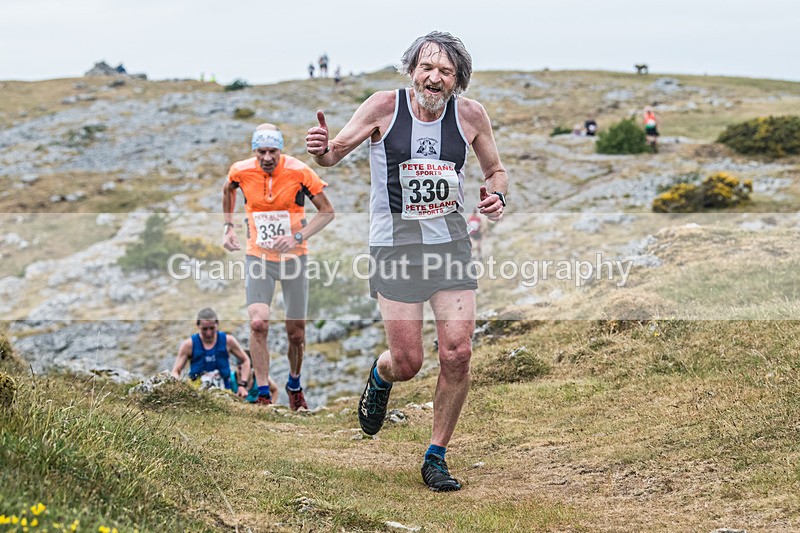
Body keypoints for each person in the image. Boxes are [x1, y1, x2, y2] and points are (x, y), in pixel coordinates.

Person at [306, 31, 507, 491]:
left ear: (458, 81)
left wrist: (496, 195)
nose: (434, 78)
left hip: (451, 245)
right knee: (409, 360)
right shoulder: (383, 107)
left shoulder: (471, 116)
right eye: (427, 68)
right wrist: (322, 149)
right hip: (394, 249)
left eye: (446, 72)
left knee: (457, 352)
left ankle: (435, 455)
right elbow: (334, 154)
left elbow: (496, 171)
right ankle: (380, 376)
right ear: (412, 70)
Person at [223, 124, 335, 410]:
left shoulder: (299, 172)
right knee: (258, 322)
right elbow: (228, 188)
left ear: (281, 150)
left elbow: (327, 212)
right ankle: (262, 391)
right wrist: (228, 227)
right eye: (261, 152)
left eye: (273, 151)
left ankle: (294, 385)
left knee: (295, 332)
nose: (267, 157)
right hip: (258, 257)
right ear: (254, 151)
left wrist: (297, 236)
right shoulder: (241, 170)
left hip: (294, 259)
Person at [171, 307, 278, 400]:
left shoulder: (228, 341)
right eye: (204, 329)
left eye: (212, 328)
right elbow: (176, 370)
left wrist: (242, 384)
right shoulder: (189, 345)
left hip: (224, 390)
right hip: (197, 389)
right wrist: (175, 384)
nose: (208, 333)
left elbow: (245, 360)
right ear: (198, 326)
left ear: (217, 324)